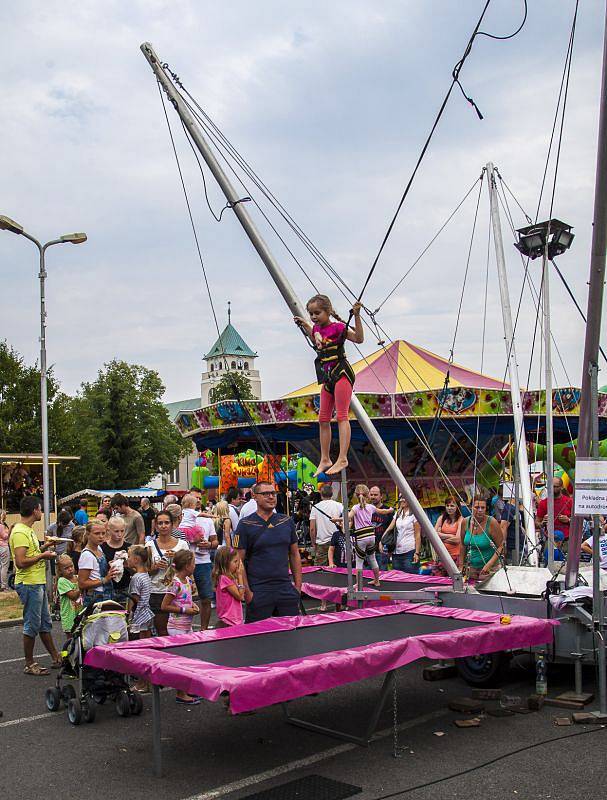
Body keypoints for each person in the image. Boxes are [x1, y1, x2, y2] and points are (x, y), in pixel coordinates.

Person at [294, 295, 364, 476]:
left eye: (317, 313)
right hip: (327, 378)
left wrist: (356, 315)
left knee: (341, 416)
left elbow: (359, 338)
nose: (314, 316)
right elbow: (315, 333)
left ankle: (342, 457)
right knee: (323, 419)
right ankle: (325, 458)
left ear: (328, 311)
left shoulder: (338, 328)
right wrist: (304, 324)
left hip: (341, 373)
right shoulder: (316, 328)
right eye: (311, 313)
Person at [235, 481, 302, 622]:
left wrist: (297, 587)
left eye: (273, 493)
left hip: (285, 589)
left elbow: (294, 554)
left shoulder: (286, 521)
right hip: (258, 591)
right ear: (255, 496)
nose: (271, 497)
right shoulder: (245, 524)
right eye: (265, 494)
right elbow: (238, 561)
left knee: (291, 637)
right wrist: (247, 593)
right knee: (258, 639)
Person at [9, 496, 61, 674]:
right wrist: (43, 555)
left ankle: (55, 656)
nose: (41, 512)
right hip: (29, 583)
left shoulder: (28, 530)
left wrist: (45, 546)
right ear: (34, 511)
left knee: (45, 623)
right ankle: (29, 663)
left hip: (37, 582)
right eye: (40, 509)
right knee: (31, 624)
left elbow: (31, 552)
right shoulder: (20, 532)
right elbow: (21, 562)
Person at [161, 549, 200, 705]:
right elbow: (165, 606)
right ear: (186, 566)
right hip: (176, 627)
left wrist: (193, 606)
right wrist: (185, 610)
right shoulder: (176, 583)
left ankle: (187, 689)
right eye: (193, 563)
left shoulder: (187, 581)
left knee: (189, 659)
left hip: (186, 625)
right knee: (181, 661)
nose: (195, 566)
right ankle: (180, 693)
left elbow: (185, 600)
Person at [146, 510, 189, 636]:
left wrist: (176, 560)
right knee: (162, 630)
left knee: (181, 629)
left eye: (166, 522)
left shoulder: (182, 545)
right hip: (157, 591)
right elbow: (145, 571)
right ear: (156, 525)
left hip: (178, 593)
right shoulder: (149, 545)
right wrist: (156, 566)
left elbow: (190, 569)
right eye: (160, 523)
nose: (163, 526)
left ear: (172, 524)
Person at [179, 493, 218, 630]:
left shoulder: (206, 521)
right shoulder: (182, 518)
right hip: (184, 563)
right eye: (195, 499)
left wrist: (209, 545)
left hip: (203, 562)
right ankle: (183, 628)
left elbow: (215, 540)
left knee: (206, 597)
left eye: (200, 499)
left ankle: (204, 629)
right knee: (181, 598)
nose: (198, 501)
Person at [347, 484, 392, 588]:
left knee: (359, 561)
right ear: (367, 495)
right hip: (372, 536)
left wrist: (338, 519)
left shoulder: (355, 508)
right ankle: (377, 580)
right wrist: (390, 510)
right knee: (372, 559)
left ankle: (359, 584)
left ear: (356, 495)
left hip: (361, 536)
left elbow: (349, 517)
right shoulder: (371, 507)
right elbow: (383, 511)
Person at [459, 495, 504, 581]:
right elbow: (462, 545)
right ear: (471, 507)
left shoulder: (492, 522)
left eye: (482, 508)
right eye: (477, 507)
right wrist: (461, 566)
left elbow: (501, 546)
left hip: (489, 570)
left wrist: (488, 565)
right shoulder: (465, 522)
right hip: (471, 569)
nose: (480, 510)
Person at [78, 520, 116, 606]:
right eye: (97, 533)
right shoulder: (87, 555)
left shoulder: (99, 548)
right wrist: (104, 580)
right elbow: (82, 583)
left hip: (106, 594)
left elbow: (97, 570)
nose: (101, 536)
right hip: (96, 597)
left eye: (103, 533)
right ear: (88, 534)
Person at [380, 496, 421, 574]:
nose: (402, 500)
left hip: (409, 551)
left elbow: (417, 534)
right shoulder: (398, 513)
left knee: (411, 578)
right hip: (396, 552)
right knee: (397, 579)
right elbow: (389, 528)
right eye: (400, 498)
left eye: (404, 497)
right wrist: (381, 541)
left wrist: (417, 552)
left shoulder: (415, 514)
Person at [310, 484, 343, 567]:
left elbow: (312, 529)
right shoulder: (339, 505)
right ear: (332, 493)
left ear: (321, 494)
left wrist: (313, 543)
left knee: (319, 570)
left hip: (322, 542)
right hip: (337, 541)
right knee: (337, 568)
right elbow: (346, 520)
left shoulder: (315, 507)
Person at [212, 547, 245, 627]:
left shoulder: (228, 578)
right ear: (226, 563)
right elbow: (240, 596)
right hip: (229, 620)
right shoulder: (224, 579)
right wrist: (240, 576)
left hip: (232, 619)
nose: (238, 564)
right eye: (235, 561)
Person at [101, 516, 131, 605]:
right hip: (107, 589)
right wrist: (108, 566)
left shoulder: (129, 547)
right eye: (116, 531)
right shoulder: (102, 547)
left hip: (125, 588)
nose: (120, 534)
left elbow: (136, 570)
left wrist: (127, 565)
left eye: (122, 531)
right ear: (109, 531)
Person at [536, 477, 573, 542]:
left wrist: (568, 520)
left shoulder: (570, 501)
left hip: (567, 539)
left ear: (561, 487)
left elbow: (580, 523)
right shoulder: (543, 503)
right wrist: (543, 523)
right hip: (549, 539)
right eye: (550, 486)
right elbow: (537, 523)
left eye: (555, 486)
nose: (552, 489)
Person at [434, 497, 463, 572]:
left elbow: (457, 540)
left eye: (452, 506)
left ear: (457, 507)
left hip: (456, 557)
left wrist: (441, 535)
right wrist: (451, 536)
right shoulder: (441, 518)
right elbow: (433, 536)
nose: (449, 508)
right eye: (447, 505)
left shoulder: (461, 520)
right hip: (442, 556)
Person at [56, 554, 81, 639]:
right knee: (71, 638)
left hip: (79, 613)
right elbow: (73, 596)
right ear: (60, 571)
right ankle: (69, 651)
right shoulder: (62, 581)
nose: (70, 569)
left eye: (71, 566)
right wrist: (82, 586)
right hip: (69, 615)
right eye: (66, 568)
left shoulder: (78, 578)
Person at [369, 486, 394, 571]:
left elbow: (392, 531)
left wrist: (390, 549)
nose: (373, 497)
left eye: (375, 495)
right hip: (368, 551)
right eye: (371, 494)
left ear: (381, 496)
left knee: (382, 576)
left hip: (382, 550)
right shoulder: (366, 509)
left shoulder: (388, 510)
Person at [0, 510, 10, 591]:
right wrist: (10, 531)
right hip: (3, 546)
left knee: (1, 566)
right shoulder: (1, 525)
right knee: (4, 566)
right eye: (5, 514)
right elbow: (4, 536)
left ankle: (2, 584)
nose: (6, 516)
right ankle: (3, 585)